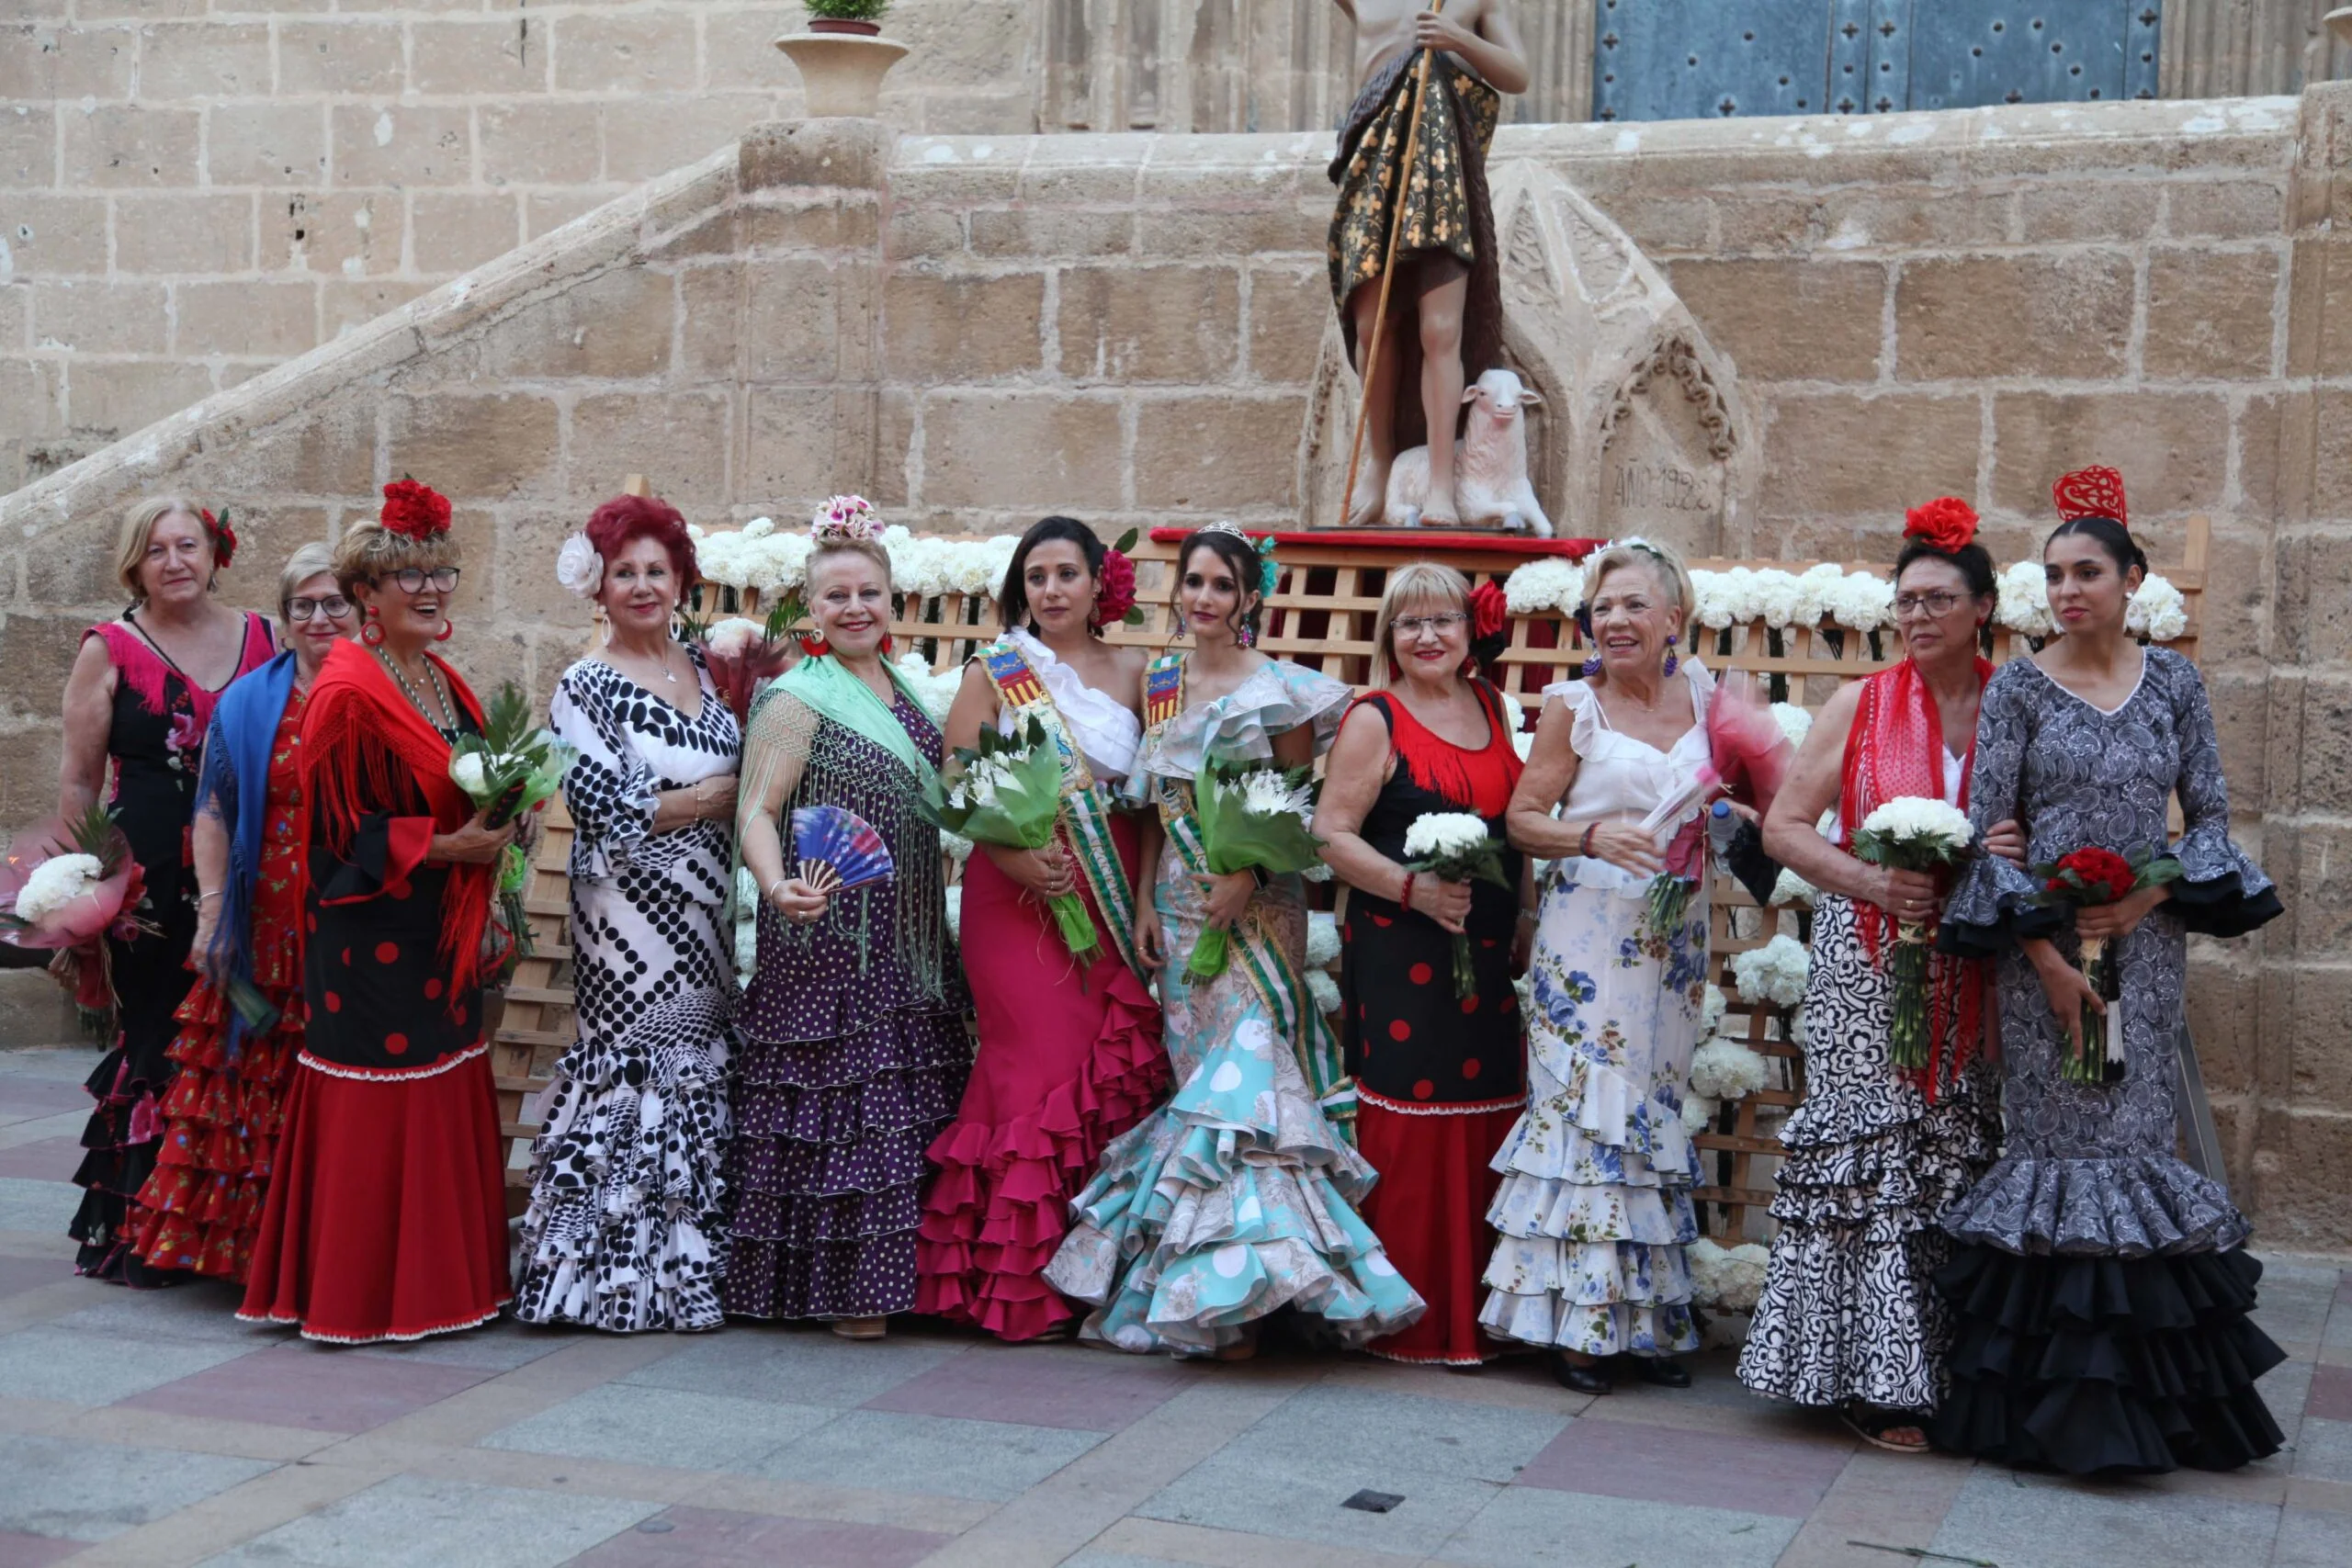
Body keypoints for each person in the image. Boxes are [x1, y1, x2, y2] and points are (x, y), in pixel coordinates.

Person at [1932, 467, 2285, 1474]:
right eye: (2053, 575)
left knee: (2133, 1135)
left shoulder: (2174, 682)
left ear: (2132, 580)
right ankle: (2042, 1411)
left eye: (2087, 571)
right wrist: (2042, 957)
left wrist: (2154, 893)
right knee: (2052, 1140)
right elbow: (1989, 839)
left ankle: (2149, 1406)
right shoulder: (2016, 685)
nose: (2067, 590)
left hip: (2146, 948)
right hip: (2041, 957)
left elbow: (2210, 816)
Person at [1045, 525, 1424, 1357]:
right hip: (1181, 916)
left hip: (1257, 910)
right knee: (1204, 1102)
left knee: (1248, 1099)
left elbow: (1295, 808)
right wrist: (1144, 900)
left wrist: (1248, 878)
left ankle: (1254, 1297)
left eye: (1222, 585)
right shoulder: (1165, 679)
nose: (1204, 598)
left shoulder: (1279, 688)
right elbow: (1149, 803)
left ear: (1250, 598)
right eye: (1194, 583)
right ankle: (1215, 1291)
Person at [1736, 501, 2016, 1450]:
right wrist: (1871, 882)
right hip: (1865, 967)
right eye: (1906, 601)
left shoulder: (2016, 706)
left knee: (1953, 1157)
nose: (1918, 616)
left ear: (1982, 607)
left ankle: (1949, 1369)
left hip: (1975, 971)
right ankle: (1871, 1379)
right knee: (1876, 1168)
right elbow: (1782, 828)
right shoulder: (1858, 704)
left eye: (1939, 598)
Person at [238, 481, 516, 1344]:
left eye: (443, 571)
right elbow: (332, 840)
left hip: (440, 932)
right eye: (410, 577)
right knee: (386, 1094)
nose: (431, 589)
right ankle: (367, 1295)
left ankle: (447, 1284)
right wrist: (445, 851)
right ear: (366, 595)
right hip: (372, 942)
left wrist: (508, 825)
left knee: (445, 1075)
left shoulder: (438, 675)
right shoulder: (349, 690)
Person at [916, 517, 1166, 1342]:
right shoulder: (1000, 671)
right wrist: (1015, 855)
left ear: (1101, 581)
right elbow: (955, 778)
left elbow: (1160, 800)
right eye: (1036, 576)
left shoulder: (1141, 672)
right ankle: (1016, 1283)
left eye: (1066, 573)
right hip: (1015, 890)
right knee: (1033, 1067)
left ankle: (1092, 1273)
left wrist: (1142, 902)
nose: (1051, 590)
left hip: (1107, 887)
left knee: (1097, 1068)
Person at [726, 507, 972, 1339]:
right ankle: (841, 1290)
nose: (855, 606)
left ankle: (904, 1282)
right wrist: (776, 881)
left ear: (893, 599)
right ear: (810, 608)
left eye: (870, 591)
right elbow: (756, 810)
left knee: (895, 1111)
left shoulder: (899, 692)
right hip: (827, 932)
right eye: (837, 595)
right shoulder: (796, 699)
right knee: (846, 1109)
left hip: (904, 938)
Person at [1479, 538, 1713, 1395]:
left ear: (1673, 621)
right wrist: (1589, 835)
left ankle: (1643, 1323)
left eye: (1632, 605)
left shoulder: (1710, 700)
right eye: (1601, 607)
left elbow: (1756, 793)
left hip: (1675, 939)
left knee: (1652, 1116)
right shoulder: (1571, 706)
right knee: (1588, 1117)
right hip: (1585, 937)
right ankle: (1576, 1325)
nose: (1614, 620)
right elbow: (1522, 818)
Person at [512, 496, 742, 1334]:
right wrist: (713, 797)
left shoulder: (711, 667)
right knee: (638, 1061)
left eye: (657, 569)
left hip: (710, 907)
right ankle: (609, 1274)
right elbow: (604, 800)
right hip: (627, 912)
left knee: (702, 1049)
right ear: (598, 588)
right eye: (625, 573)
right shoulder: (585, 683)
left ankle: (697, 1264)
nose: (642, 586)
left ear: (681, 579)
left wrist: (708, 804)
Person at [1315, 560, 1530, 1366]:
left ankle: (1481, 1316)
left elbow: (1516, 822)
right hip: (1403, 945)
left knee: (1488, 1100)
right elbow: (1330, 834)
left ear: (1471, 630)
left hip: (1486, 945)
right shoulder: (1375, 717)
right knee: (1414, 1107)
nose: (1427, 635)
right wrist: (1412, 889)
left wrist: (1527, 912)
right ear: (1389, 637)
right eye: (1409, 623)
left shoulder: (1494, 705)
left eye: (1442, 619)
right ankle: (1413, 1318)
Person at [59, 497, 277, 1283]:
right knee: (158, 1037)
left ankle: (232, 1236)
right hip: (146, 889)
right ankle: (144, 1236)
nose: (175, 560)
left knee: (240, 1037)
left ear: (216, 554)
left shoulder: (266, 637)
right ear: (134, 565)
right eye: (156, 550)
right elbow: (80, 780)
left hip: (251, 874)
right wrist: (81, 888)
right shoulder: (109, 647)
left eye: (188, 545)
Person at [127, 544, 356, 1281]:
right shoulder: (251, 699)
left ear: (360, 611)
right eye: (303, 606)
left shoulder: (383, 690)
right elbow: (215, 808)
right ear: (283, 619)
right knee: (244, 1078)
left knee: (335, 1081)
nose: (319, 618)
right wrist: (213, 910)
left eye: (334, 603)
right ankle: (240, 1252)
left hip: (352, 921)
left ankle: (324, 1250)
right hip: (265, 923)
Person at [1328, 1, 1530, 527]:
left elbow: (1518, 73)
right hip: (1374, 167)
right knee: (1374, 328)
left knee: (1441, 329)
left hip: (1442, 174)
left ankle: (1442, 483)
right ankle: (1381, 462)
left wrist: (1457, 39)